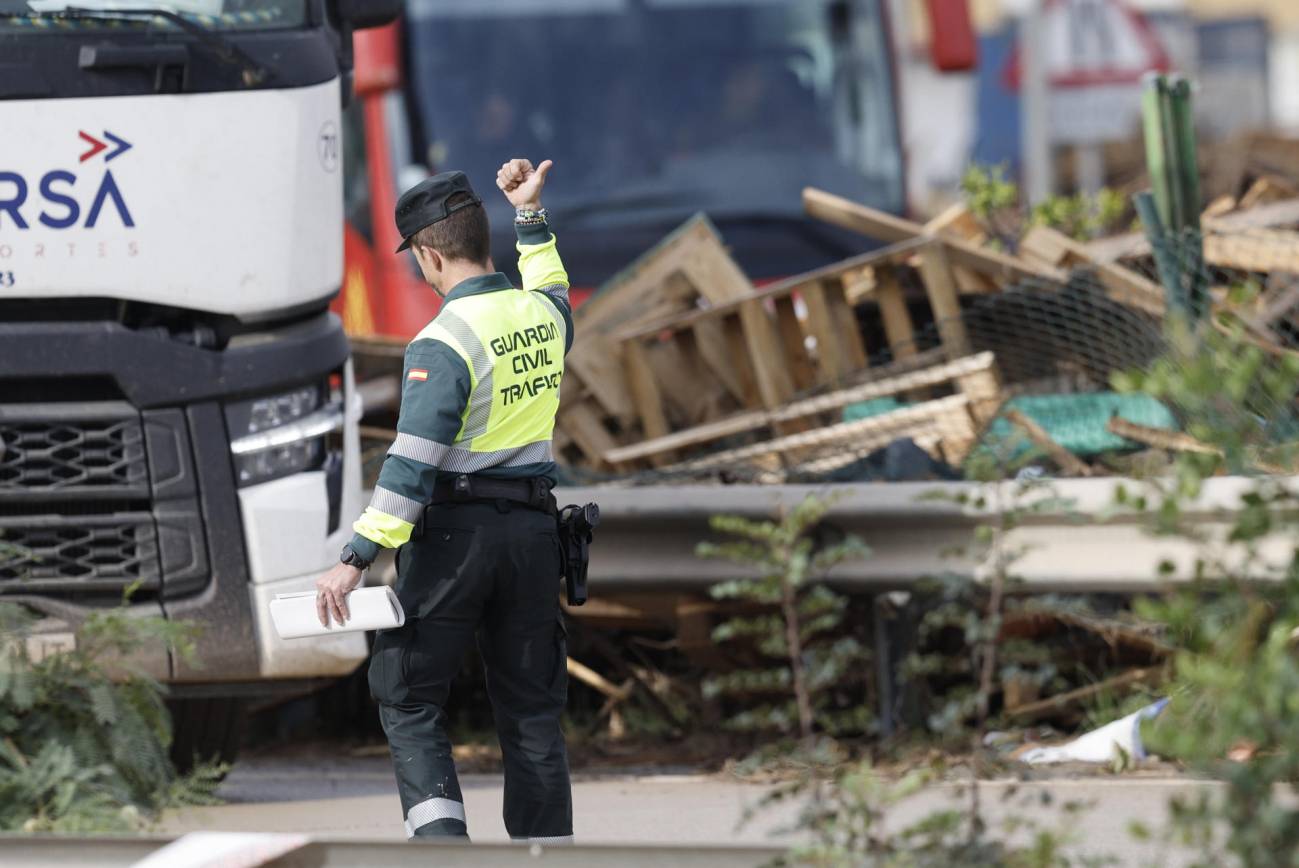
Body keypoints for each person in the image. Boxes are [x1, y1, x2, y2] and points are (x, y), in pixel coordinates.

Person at [313, 158, 574, 842]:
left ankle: (443, 856)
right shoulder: (544, 318)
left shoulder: (443, 340)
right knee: (531, 711)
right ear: (479, 239)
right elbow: (550, 278)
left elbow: (412, 464)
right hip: (533, 536)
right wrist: (531, 213)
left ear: (428, 255)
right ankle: (546, 858)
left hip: (456, 541)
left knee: (407, 695)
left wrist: (356, 556)